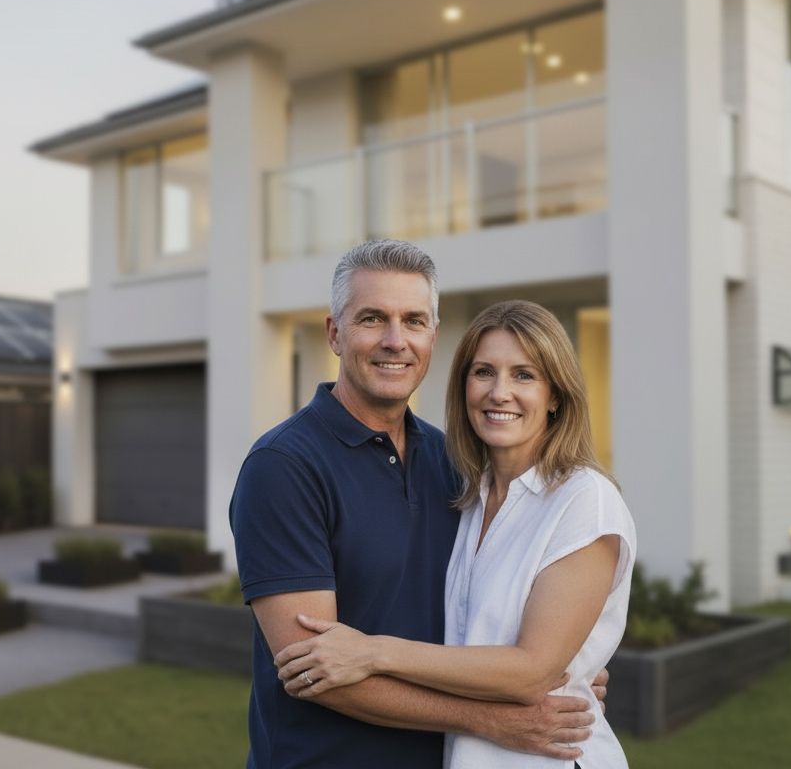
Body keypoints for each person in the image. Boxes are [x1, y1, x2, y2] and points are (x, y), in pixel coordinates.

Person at [229, 241, 602, 769]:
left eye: (414, 320)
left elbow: (490, 609)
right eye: (372, 318)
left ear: (432, 334)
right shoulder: (284, 466)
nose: (394, 341)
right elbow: (315, 673)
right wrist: (494, 718)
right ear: (335, 333)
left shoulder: (456, 460)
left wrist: (572, 670)